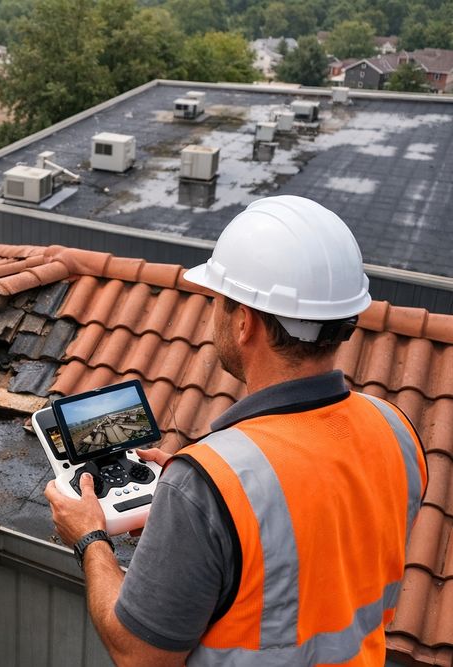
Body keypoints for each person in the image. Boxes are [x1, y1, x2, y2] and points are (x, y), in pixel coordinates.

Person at [45, 195, 428, 666]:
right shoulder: (397, 429)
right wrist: (199, 527)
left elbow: (137, 654)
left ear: (244, 322)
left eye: (218, 302)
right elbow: (313, 555)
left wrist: (90, 539)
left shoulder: (208, 482)